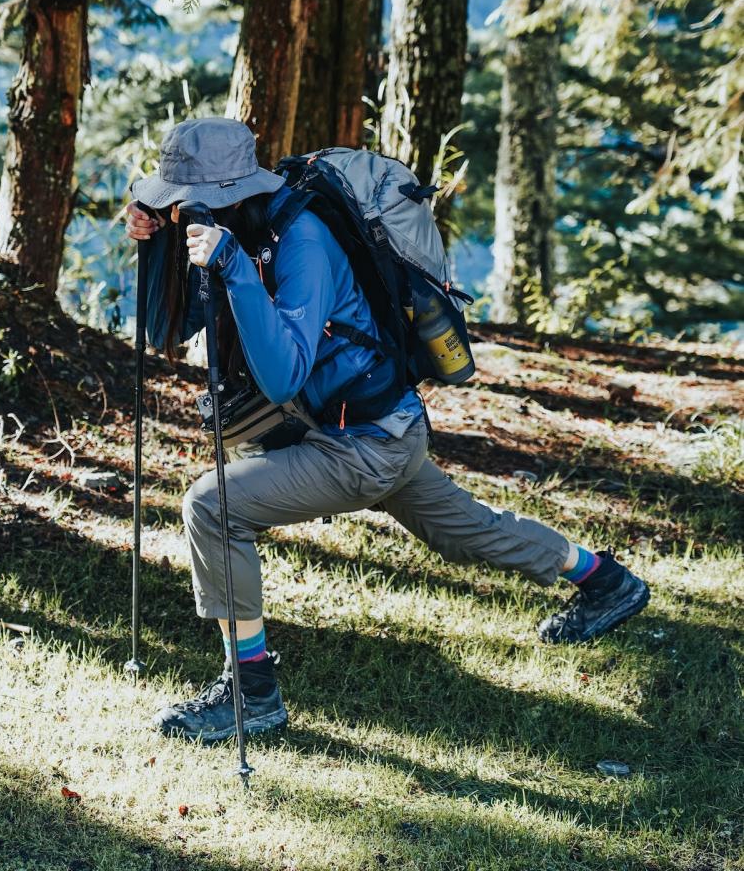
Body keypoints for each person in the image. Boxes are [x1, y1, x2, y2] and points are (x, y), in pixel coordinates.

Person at [126, 117, 650, 743]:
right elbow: (165, 334)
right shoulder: (239, 225)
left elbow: (284, 375)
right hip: (380, 430)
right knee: (469, 531)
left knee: (213, 505)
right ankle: (605, 582)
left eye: (186, 198)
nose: (181, 207)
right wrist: (157, 240)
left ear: (230, 189)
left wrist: (234, 268)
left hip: (365, 445)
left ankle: (253, 692)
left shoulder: (299, 243)